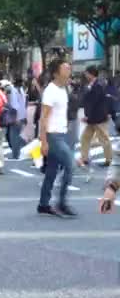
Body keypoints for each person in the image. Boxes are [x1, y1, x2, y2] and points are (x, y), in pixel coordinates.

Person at [37, 59, 77, 218]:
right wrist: (44, 140)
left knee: (52, 171)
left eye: (69, 68)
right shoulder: (50, 91)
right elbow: (43, 118)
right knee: (70, 165)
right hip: (53, 136)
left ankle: (43, 204)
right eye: (65, 69)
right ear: (56, 73)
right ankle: (61, 203)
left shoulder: (63, 89)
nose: (69, 71)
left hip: (62, 134)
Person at [79, 66, 112, 167]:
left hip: (98, 118)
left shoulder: (98, 85)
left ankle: (109, 159)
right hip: (93, 118)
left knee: (104, 139)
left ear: (91, 74)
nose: (85, 75)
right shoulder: (92, 84)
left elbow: (94, 102)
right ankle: (84, 158)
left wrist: (88, 116)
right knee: (85, 137)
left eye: (86, 73)